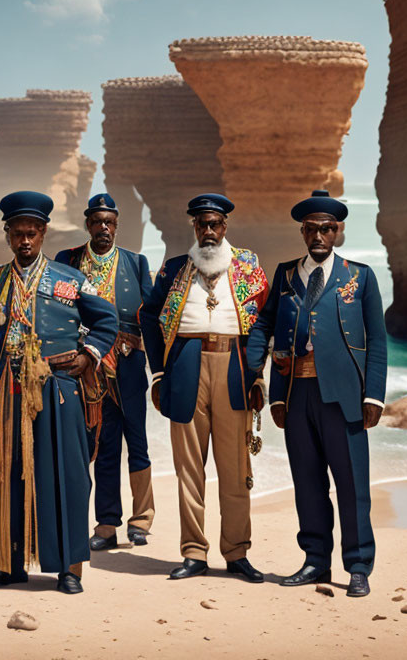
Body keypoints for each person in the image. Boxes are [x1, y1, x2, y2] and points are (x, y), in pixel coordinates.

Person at [0, 191, 118, 594]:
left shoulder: (69, 279)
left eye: (32, 233)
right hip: (3, 396)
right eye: (18, 234)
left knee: (65, 477)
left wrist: (88, 356)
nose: (25, 241)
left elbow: (107, 322)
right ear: (8, 235)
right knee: (1, 477)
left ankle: (70, 569)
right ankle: (5, 564)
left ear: (44, 233)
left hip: (56, 393)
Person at [246, 189, 387, 598]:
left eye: (327, 229)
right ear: (303, 232)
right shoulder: (286, 274)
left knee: (351, 484)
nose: (319, 236)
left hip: (344, 397)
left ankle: (358, 565)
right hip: (297, 394)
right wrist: (266, 380)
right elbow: (264, 325)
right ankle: (315, 561)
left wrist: (373, 396)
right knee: (307, 482)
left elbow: (377, 340)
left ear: (337, 231)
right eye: (312, 229)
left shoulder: (360, 276)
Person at [139, 193, 269, 582]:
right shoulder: (175, 269)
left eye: (214, 224)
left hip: (234, 369)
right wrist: (159, 372)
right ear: (194, 227)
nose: (208, 231)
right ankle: (194, 552)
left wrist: (258, 374)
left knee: (234, 469)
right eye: (201, 225)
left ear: (225, 226)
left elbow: (264, 322)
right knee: (189, 470)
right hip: (185, 368)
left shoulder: (248, 266)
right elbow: (148, 315)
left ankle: (236, 552)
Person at [54, 192, 155, 551]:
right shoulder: (67, 260)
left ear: (116, 225)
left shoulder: (136, 263)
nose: (103, 228)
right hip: (87, 369)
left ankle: (141, 521)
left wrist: (139, 344)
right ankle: (107, 525)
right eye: (97, 222)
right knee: (103, 446)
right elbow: (57, 308)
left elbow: (152, 316)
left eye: (109, 222)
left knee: (138, 444)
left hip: (127, 366)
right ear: (88, 225)